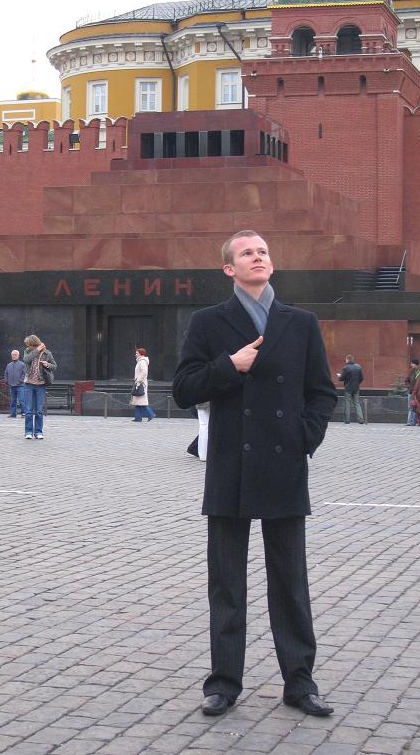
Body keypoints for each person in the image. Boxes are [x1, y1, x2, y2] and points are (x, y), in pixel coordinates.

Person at [173, 230, 337, 718]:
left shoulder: (300, 322)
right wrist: (230, 365)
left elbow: (321, 392)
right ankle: (223, 683)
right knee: (226, 583)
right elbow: (183, 389)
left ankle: (300, 683)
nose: (258, 257)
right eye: (247, 253)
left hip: (284, 464)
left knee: (291, 582)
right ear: (229, 268)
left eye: (263, 251)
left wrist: (304, 437)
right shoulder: (208, 322)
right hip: (231, 466)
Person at [23, 335, 57, 440]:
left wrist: (47, 364)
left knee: (39, 410)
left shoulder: (47, 353)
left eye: (30, 345)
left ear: (34, 344)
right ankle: (28, 432)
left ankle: (38, 432)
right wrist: (37, 350)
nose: (28, 347)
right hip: (29, 384)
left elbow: (55, 366)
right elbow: (26, 360)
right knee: (28, 410)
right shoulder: (27, 352)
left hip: (41, 385)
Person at [337, 355, 364, 424]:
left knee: (347, 403)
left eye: (346, 359)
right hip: (356, 388)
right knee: (357, 403)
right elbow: (361, 378)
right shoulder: (358, 367)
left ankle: (347, 420)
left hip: (348, 388)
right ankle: (361, 420)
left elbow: (342, 378)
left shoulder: (346, 368)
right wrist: (357, 383)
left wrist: (339, 376)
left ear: (347, 359)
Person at [130, 348, 156, 422]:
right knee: (138, 402)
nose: (135, 354)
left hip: (140, 384)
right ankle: (138, 418)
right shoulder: (140, 361)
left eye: (137, 353)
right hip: (139, 383)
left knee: (141, 402)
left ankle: (150, 414)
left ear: (141, 354)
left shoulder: (142, 362)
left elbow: (144, 372)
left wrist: (138, 380)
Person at [4, 349, 26, 418]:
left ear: (18, 356)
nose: (14, 356)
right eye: (13, 355)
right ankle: (13, 413)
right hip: (11, 385)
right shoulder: (9, 365)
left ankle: (24, 413)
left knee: (22, 400)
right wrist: (6, 381)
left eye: (15, 355)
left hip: (20, 386)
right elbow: (6, 373)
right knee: (13, 400)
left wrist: (20, 381)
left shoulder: (22, 364)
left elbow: (24, 374)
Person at [406, 358, 420, 426]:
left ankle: (416, 421)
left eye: (412, 363)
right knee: (411, 407)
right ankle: (410, 422)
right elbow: (407, 380)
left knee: (417, 407)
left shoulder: (419, 372)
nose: (411, 364)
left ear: (415, 364)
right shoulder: (411, 371)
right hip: (411, 392)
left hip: (418, 393)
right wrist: (409, 387)